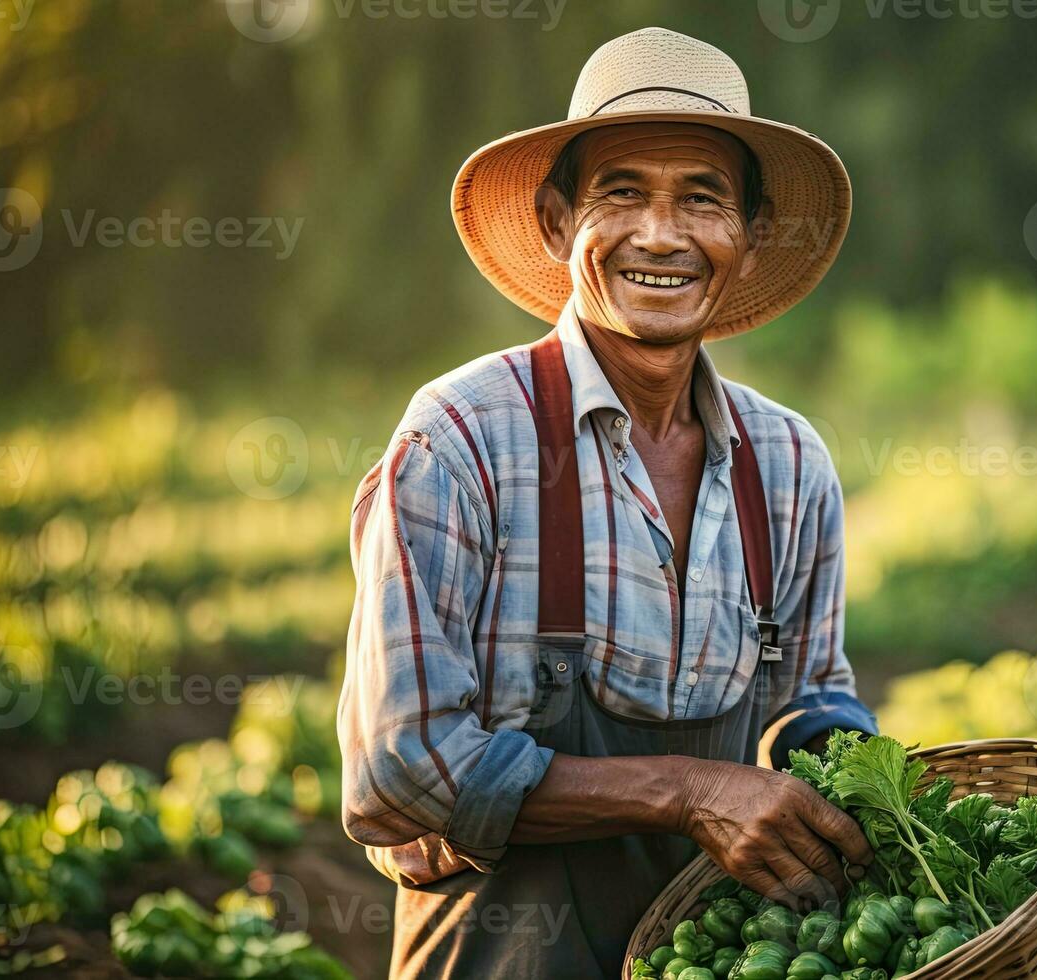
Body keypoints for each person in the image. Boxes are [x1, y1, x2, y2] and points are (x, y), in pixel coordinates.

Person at [337, 27, 877, 977]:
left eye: (702, 199)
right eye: (621, 192)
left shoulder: (788, 462)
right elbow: (401, 765)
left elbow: (810, 696)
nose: (660, 235)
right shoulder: (462, 439)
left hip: (710, 956)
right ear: (556, 224)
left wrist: (870, 783)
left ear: (748, 239)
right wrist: (682, 789)